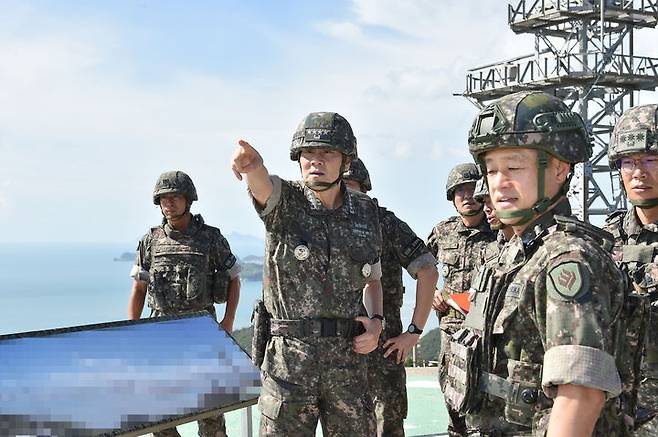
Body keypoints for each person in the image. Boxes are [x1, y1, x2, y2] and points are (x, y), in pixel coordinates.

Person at [443, 90, 627, 436]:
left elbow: (580, 394)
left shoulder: (567, 260)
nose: (499, 184)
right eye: (492, 170)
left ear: (559, 168)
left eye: (513, 167)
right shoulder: (516, 252)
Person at [231, 112, 384, 436]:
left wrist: (376, 323)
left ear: (345, 160)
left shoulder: (365, 211)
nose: (316, 160)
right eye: (308, 153)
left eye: (327, 152)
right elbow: (262, 186)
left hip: (347, 361)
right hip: (289, 362)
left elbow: (372, 278)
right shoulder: (286, 200)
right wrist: (252, 167)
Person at [128, 170, 241, 437]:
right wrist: (131, 330)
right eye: (164, 198)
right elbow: (139, 287)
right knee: (160, 415)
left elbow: (234, 278)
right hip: (160, 339)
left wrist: (228, 321)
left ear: (188, 200)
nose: (169, 203)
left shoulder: (211, 238)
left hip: (202, 337)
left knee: (211, 413)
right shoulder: (150, 240)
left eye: (175, 197)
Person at [343, 157, 438, 437]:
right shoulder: (322, 225)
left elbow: (428, 271)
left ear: (364, 187)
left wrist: (414, 332)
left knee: (387, 424)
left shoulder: (384, 223)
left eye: (348, 185)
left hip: (384, 343)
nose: (342, 193)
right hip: (335, 344)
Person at [427, 163, 495, 437]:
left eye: (471, 189)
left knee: (484, 408)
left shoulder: (500, 232)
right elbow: (422, 267)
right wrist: (431, 292)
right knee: (452, 401)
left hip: (485, 333)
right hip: (451, 332)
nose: (466, 196)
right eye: (459, 192)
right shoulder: (443, 232)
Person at [604, 103, 658, 436]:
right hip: (615, 411)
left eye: (651, 160)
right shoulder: (604, 239)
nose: (638, 173)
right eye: (628, 162)